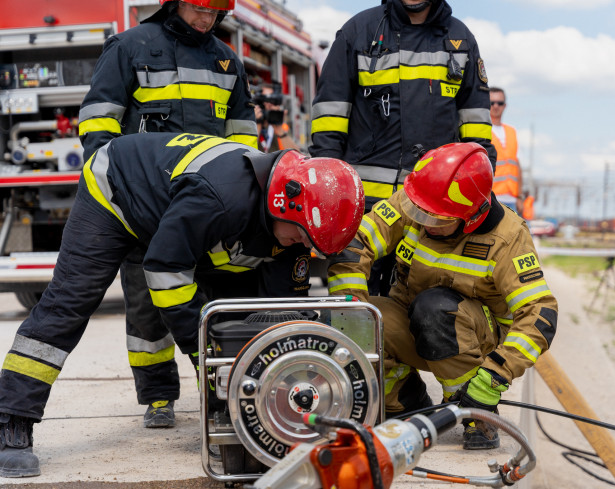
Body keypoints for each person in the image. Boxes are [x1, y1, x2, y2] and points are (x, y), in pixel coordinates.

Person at [0, 132, 364, 478]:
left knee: (241, 317)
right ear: (281, 203)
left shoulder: (294, 219)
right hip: (117, 192)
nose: (301, 244)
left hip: (175, 211)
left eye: (309, 241)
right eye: (301, 234)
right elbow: (164, 271)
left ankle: (234, 415)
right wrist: (200, 349)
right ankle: (12, 419)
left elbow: (283, 314)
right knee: (70, 303)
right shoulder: (222, 198)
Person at [77, 0, 258, 429]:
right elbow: (99, 123)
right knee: (146, 307)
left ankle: (220, 391)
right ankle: (158, 396)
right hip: (142, 205)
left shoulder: (227, 60)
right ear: (174, 3)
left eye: (215, 12)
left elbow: (244, 137)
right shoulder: (129, 46)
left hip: (208, 209)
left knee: (214, 304)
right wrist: (116, 194)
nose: (206, 19)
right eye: (199, 8)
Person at [327, 142, 558, 450]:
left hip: (480, 340)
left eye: (436, 219)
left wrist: (494, 377)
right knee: (363, 318)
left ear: (471, 217)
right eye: (417, 212)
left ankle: (475, 413)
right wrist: (352, 315)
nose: (423, 222)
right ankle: (405, 403)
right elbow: (356, 240)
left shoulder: (508, 237)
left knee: (434, 308)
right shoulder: (423, 198)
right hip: (415, 320)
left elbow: (539, 314)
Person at [309, 0, 495, 297]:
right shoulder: (357, 32)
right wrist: (327, 193)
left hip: (433, 213)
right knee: (354, 303)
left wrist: (480, 196)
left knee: (421, 309)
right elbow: (328, 122)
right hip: (363, 209)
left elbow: (477, 136)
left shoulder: (461, 39)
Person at [489, 87, 524, 214]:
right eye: (491, 103)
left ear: (505, 106)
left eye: (500, 103)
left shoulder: (512, 132)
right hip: (491, 198)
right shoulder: (482, 132)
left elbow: (517, 167)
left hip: (512, 199)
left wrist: (519, 197)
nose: (496, 106)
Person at [253, 83, 300, 153]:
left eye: (272, 99)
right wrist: (257, 123)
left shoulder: (282, 126)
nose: (269, 104)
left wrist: (279, 129)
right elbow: (247, 152)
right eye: (265, 99)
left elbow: (296, 155)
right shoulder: (248, 125)